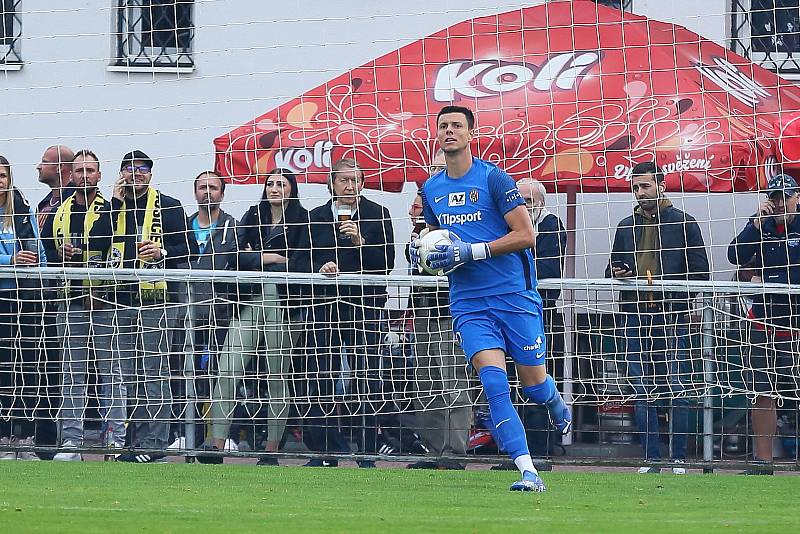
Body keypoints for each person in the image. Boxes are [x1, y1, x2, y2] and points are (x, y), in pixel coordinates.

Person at [411, 106, 570, 492]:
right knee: (494, 384)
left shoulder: (495, 178)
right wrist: (421, 252)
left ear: (470, 134)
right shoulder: (431, 189)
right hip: (469, 302)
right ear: (438, 135)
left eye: (456, 126)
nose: (449, 131)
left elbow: (526, 235)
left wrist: (472, 251)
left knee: (532, 384)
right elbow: (436, 238)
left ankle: (552, 401)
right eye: (443, 126)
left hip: (514, 296)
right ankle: (528, 472)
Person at [606, 161, 709, 474]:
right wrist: (619, 272)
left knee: (677, 386)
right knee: (641, 387)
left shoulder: (685, 223)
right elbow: (610, 268)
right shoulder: (626, 225)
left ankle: (678, 458)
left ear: (662, 185)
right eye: (636, 187)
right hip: (636, 314)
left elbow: (701, 271)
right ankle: (651, 458)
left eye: (645, 186)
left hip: (672, 314)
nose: (640, 192)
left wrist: (677, 295)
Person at [209, 168, 310, 465]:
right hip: (249, 300)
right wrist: (274, 257)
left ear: (292, 189)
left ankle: (271, 449)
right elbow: (235, 256)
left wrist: (258, 255)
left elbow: (302, 263)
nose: (274, 188)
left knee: (276, 376)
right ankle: (216, 445)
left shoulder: (304, 219)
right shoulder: (252, 215)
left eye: (281, 183)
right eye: (270, 183)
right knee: (227, 370)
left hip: (284, 304)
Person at [305, 158, 395, 468]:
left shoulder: (377, 214)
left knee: (366, 376)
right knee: (323, 376)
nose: (349, 186)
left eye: (355, 180)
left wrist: (360, 241)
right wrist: (321, 268)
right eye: (343, 180)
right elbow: (302, 258)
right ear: (331, 184)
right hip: (326, 306)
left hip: (365, 308)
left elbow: (386, 263)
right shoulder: (313, 217)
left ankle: (367, 450)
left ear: (363, 183)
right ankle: (326, 451)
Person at [110, 150, 190, 463]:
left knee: (155, 374)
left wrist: (163, 250)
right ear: (121, 172)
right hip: (118, 299)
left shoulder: (169, 206)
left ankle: (157, 441)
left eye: (142, 168)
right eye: (129, 167)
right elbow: (99, 242)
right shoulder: (110, 208)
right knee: (128, 377)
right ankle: (136, 439)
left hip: (158, 301)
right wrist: (115, 204)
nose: (135, 173)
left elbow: (190, 251)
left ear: (150, 174)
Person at [51, 150, 125, 461]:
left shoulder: (110, 210)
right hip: (69, 301)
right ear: (70, 175)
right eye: (79, 170)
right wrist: (62, 255)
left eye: (90, 170)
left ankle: (115, 441)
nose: (84, 175)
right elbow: (48, 254)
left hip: (106, 302)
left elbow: (116, 248)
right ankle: (72, 443)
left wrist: (100, 290)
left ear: (99, 175)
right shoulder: (58, 213)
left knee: (113, 372)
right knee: (72, 373)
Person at [728, 173, 800, 474]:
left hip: (796, 320)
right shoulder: (760, 225)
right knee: (761, 391)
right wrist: (755, 224)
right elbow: (734, 255)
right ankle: (763, 461)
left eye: (785, 197)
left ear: (797, 198)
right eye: (774, 197)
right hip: (764, 321)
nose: (779, 203)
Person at [407, 150, 471, 470]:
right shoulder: (422, 217)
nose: (434, 175)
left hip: (454, 310)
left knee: (453, 381)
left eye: (440, 169)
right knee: (426, 382)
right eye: (432, 170)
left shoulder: (464, 211)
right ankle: (432, 450)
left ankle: (455, 452)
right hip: (422, 311)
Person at [0, 154, 48, 460]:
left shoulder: (22, 211)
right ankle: (4, 438)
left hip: (23, 300)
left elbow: (40, 252)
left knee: (28, 368)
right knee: (3, 371)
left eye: (2, 175)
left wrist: (32, 262)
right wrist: (8, 261)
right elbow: (11, 258)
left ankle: (25, 438)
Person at [516, 178, 568, 457]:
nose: (523, 206)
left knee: (542, 380)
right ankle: (518, 449)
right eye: (519, 200)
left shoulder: (551, 225)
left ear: (541, 203)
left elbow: (548, 269)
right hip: (513, 314)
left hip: (544, 314)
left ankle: (542, 449)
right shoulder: (508, 224)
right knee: (515, 384)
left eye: (529, 201)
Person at [35, 144, 75, 455]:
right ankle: (46, 436)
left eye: (44, 162)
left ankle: (71, 437)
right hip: (43, 296)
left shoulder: (77, 203)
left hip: (74, 296)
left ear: (61, 168)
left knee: (71, 368)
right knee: (45, 366)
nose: (38, 167)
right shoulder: (41, 204)